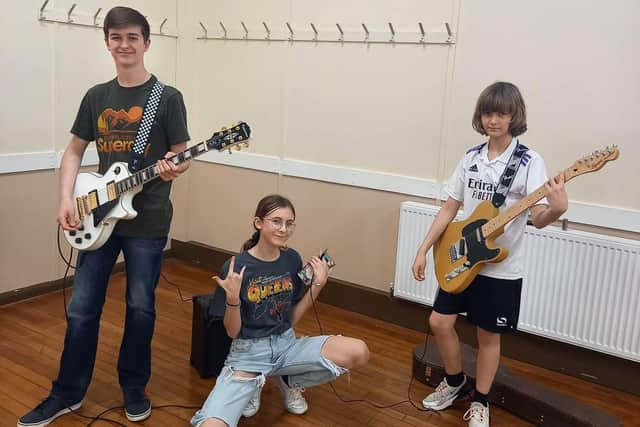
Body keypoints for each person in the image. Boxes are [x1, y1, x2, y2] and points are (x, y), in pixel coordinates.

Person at [18, 6, 190, 426]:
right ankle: (67, 391)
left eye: (133, 37)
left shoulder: (167, 99)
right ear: (108, 44)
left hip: (147, 221)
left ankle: (134, 387)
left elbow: (182, 155)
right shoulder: (97, 96)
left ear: (147, 43)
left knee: (140, 307)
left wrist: (175, 164)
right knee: (81, 309)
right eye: (116, 37)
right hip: (96, 215)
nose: (124, 44)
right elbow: (74, 151)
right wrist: (64, 201)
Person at [411, 82, 568, 427]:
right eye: (487, 112)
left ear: (514, 116)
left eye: (501, 113)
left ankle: (481, 401)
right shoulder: (471, 158)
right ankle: (454, 383)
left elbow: (538, 218)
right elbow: (450, 208)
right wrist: (423, 249)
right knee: (439, 322)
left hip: (501, 267)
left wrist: (557, 208)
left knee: (487, 335)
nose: (493, 120)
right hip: (462, 256)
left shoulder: (529, 161)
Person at [191, 194, 370, 427]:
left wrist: (318, 286)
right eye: (276, 221)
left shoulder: (291, 259)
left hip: (286, 345)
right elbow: (232, 332)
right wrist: (233, 299)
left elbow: (291, 318)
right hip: (249, 355)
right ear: (258, 223)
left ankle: (288, 379)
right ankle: (256, 382)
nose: (284, 229)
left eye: (289, 223)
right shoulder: (237, 268)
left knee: (359, 352)